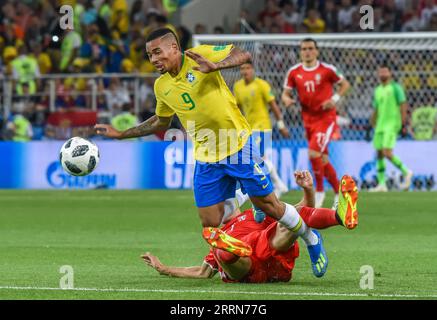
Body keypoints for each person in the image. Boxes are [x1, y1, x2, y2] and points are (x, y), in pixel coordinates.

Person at [95, 28, 330, 275]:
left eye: (157, 52)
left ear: (174, 48)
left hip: (237, 145)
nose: (153, 59)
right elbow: (160, 122)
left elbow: (243, 55)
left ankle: (310, 237)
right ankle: (239, 239)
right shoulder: (161, 86)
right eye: (149, 55)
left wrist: (217, 66)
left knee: (271, 205)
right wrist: (122, 134)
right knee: (209, 223)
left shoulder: (199, 55)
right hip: (206, 157)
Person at [141, 171, 359, 283]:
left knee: (289, 222)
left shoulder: (255, 216)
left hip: (272, 257)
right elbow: (202, 273)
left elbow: (303, 217)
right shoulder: (221, 233)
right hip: (248, 266)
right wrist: (164, 268)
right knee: (222, 253)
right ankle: (231, 252)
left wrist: (308, 191)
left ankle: (340, 216)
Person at [281, 38, 351, 208]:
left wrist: (334, 99)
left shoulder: (327, 70)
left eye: (310, 48)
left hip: (325, 118)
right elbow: (285, 94)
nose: (307, 51)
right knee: (323, 158)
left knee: (313, 153)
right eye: (304, 49)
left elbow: (345, 85)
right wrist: (287, 100)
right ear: (300, 51)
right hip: (308, 119)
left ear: (317, 51)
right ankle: (339, 193)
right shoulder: (294, 72)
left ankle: (319, 191)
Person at [233, 61, 290, 197]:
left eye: (247, 68)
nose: (245, 71)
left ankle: (278, 184)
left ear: (253, 69)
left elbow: (273, 105)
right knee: (258, 158)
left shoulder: (261, 85)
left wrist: (281, 124)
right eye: (242, 68)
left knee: (257, 158)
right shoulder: (238, 86)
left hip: (263, 127)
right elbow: (238, 108)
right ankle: (279, 184)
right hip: (248, 128)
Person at [369, 64, 413, 192]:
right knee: (379, 153)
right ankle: (382, 184)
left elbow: (403, 105)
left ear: (390, 73)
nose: (383, 73)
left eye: (385, 71)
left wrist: (403, 123)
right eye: (380, 71)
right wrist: (370, 124)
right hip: (380, 126)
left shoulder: (396, 88)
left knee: (387, 152)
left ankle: (406, 171)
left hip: (392, 124)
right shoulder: (377, 90)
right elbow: (376, 109)